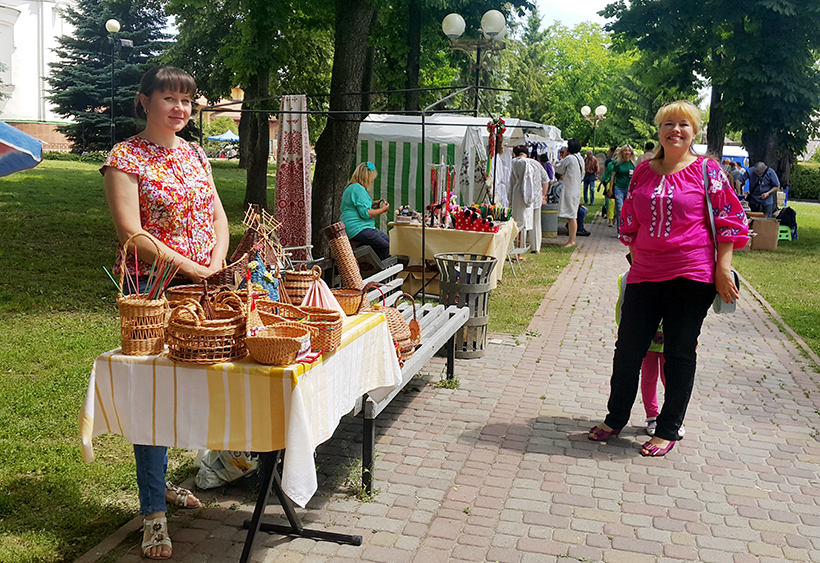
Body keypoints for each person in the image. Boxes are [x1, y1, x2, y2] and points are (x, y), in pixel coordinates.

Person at [102, 66, 228, 559]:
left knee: (190, 385)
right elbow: (131, 233)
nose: (179, 108)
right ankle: (153, 510)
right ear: (144, 101)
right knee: (152, 394)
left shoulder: (196, 152)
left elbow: (216, 212)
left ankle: (164, 484)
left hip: (202, 284)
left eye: (187, 100)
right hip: (152, 289)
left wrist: (215, 262)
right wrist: (192, 269)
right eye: (169, 98)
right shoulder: (125, 157)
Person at [588, 100, 748, 457]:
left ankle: (668, 428)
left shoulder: (708, 171)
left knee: (678, 351)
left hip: (692, 275)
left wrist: (723, 268)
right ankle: (616, 418)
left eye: (684, 125)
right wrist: (636, 255)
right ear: (659, 130)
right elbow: (629, 217)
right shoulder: (644, 171)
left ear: (695, 132)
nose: (675, 130)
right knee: (628, 349)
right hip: (645, 273)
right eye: (668, 124)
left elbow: (729, 220)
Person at [339, 162, 391, 260]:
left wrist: (374, 204)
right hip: (357, 228)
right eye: (371, 178)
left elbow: (358, 205)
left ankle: (372, 266)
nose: (372, 181)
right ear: (366, 177)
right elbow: (365, 213)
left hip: (355, 227)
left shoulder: (351, 187)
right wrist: (382, 210)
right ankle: (377, 271)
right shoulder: (358, 188)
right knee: (387, 247)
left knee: (389, 243)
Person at [509, 145, 550, 252]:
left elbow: (511, 180)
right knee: (536, 222)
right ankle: (535, 246)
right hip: (535, 195)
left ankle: (520, 245)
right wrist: (543, 195)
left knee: (520, 220)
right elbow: (546, 180)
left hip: (520, 194)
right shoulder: (535, 163)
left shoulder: (514, 163)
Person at [554, 139, 584, 247]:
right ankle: (572, 240)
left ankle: (572, 241)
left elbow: (559, 169)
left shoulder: (570, 158)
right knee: (572, 215)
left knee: (571, 216)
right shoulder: (580, 158)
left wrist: (560, 159)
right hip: (575, 188)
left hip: (570, 189)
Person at [603, 145, 636, 233]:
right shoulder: (618, 163)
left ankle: (627, 229)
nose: (627, 152)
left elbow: (636, 178)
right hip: (619, 188)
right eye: (625, 150)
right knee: (620, 208)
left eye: (629, 151)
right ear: (622, 152)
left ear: (631, 153)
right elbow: (613, 176)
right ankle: (620, 230)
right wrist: (610, 189)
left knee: (628, 210)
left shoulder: (633, 164)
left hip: (629, 189)